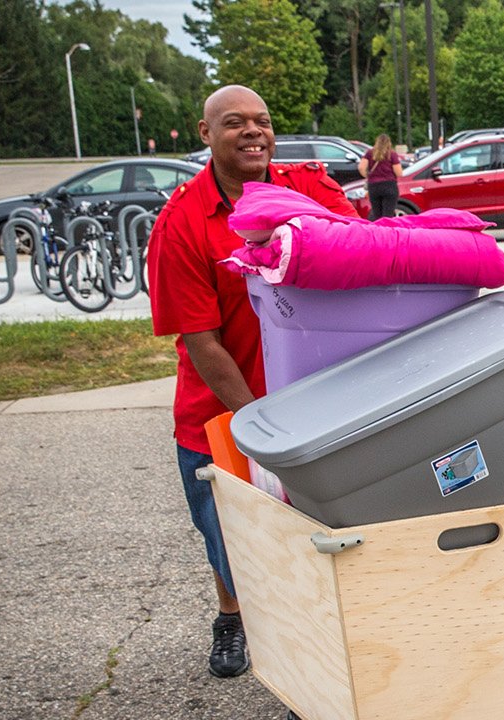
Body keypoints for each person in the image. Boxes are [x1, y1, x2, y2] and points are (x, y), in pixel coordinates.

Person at [146, 85, 359, 681]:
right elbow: (201, 344)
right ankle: (232, 615)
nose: (252, 132)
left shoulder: (311, 192)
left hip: (317, 409)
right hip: (221, 418)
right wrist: (264, 426)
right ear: (205, 133)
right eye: (234, 122)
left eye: (262, 121)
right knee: (239, 551)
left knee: (317, 547)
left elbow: (365, 263)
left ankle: (306, 672)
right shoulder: (182, 223)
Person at [356, 133, 404, 220]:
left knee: (376, 213)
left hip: (374, 186)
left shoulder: (370, 153)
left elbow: (361, 167)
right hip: (389, 185)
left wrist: (368, 176)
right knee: (388, 214)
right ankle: (387, 231)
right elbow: (399, 173)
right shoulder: (392, 154)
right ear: (389, 143)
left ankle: (378, 231)